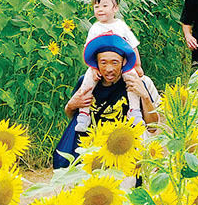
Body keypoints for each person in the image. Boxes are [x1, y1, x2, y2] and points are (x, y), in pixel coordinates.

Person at [54, 34, 160, 169]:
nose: (109, 69)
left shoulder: (133, 86)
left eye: (115, 62)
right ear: (96, 64)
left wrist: (145, 96)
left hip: (123, 154)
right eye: (103, 62)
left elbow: (152, 127)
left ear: (123, 62)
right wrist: (70, 105)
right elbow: (73, 118)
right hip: (91, 155)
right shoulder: (86, 84)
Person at [75, 0, 144, 132]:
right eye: (96, 6)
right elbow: (88, 49)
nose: (100, 10)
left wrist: (137, 65)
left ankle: (134, 110)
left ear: (115, 8)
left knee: (132, 80)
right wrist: (93, 68)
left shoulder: (121, 26)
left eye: (104, 6)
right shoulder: (95, 28)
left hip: (122, 64)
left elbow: (133, 45)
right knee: (87, 82)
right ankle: (84, 113)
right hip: (98, 65)